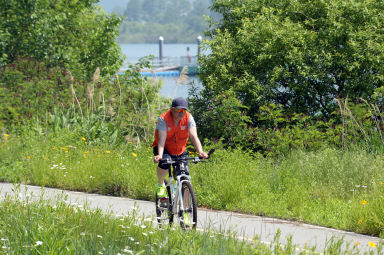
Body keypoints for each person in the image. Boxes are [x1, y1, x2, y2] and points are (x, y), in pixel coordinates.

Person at [152, 97, 208, 200]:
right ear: (172, 109)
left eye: (184, 110)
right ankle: (160, 184)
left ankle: (186, 212)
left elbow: (194, 136)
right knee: (165, 163)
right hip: (164, 148)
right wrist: (159, 155)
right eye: (178, 110)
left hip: (180, 150)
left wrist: (200, 152)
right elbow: (161, 140)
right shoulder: (163, 119)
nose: (181, 113)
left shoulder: (189, 118)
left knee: (185, 177)